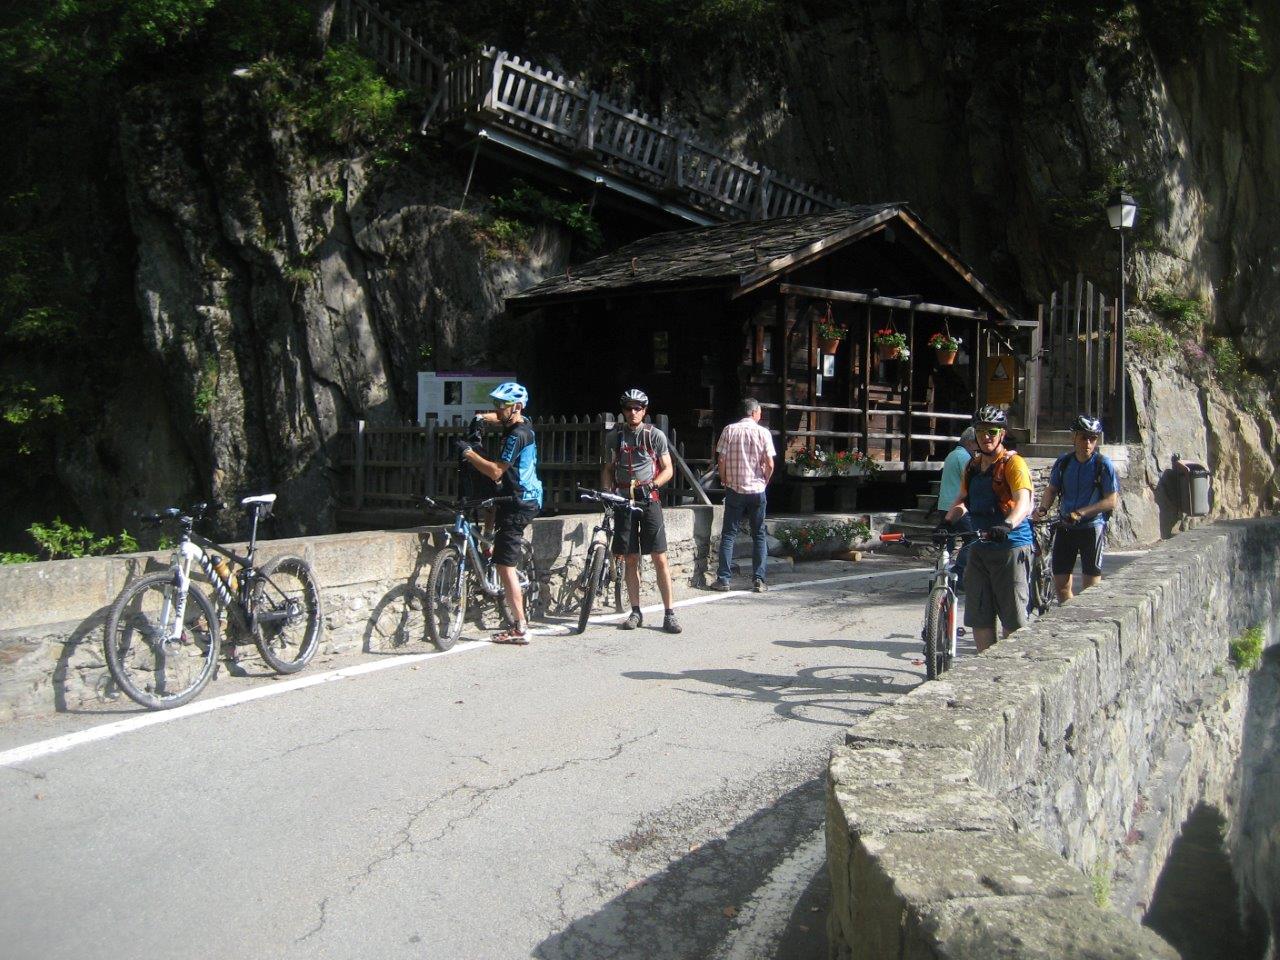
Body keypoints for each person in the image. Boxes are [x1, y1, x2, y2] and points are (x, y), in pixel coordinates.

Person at [455, 382, 543, 645]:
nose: (497, 410)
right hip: (510, 496)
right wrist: (481, 418)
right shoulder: (518, 421)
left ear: (516, 407)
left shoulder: (518, 435)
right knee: (491, 512)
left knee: (506, 566)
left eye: (502, 405)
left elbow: (495, 471)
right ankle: (490, 542)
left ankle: (520, 627)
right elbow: (499, 416)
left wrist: (468, 453)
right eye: (496, 405)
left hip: (520, 501)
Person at [943, 406, 1035, 652]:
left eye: (992, 431)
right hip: (980, 547)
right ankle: (985, 666)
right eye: (981, 431)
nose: (986, 436)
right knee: (980, 617)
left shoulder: (1013, 464)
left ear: (1002, 434)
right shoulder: (972, 466)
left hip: (1011, 546)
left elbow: (1023, 502)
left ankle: (1011, 675)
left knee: (1013, 621)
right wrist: (947, 521)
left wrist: (1006, 524)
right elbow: (962, 500)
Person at [601, 388, 682, 634]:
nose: (633, 412)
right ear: (623, 411)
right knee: (630, 559)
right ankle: (635, 611)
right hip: (624, 501)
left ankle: (669, 613)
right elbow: (607, 468)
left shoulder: (654, 435)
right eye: (628, 408)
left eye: (638, 408)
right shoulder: (615, 437)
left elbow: (668, 468)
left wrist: (654, 485)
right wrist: (607, 493)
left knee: (660, 557)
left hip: (649, 501)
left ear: (645, 411)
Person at [1033, 414, 1120, 603]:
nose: (1088, 443)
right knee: (1061, 584)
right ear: (1073, 437)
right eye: (1083, 437)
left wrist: (1082, 512)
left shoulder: (1102, 465)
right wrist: (1042, 509)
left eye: (1093, 438)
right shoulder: (1064, 462)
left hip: (1092, 527)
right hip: (1066, 526)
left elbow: (1111, 501)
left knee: (1091, 587)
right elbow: (1052, 489)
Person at [710, 398, 776, 593]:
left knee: (729, 534)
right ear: (754, 413)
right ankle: (759, 580)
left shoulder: (729, 430)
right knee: (759, 535)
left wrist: (724, 478)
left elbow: (721, 458)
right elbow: (770, 464)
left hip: (734, 488)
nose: (760, 415)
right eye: (760, 412)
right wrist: (765, 480)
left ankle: (723, 580)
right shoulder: (763, 433)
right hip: (756, 490)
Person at [935, 426, 978, 585]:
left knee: (947, 542)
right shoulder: (965, 458)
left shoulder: (952, 455)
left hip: (944, 505)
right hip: (958, 506)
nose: (978, 447)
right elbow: (972, 482)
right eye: (975, 443)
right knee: (973, 539)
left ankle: (940, 576)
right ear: (969, 442)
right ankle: (957, 573)